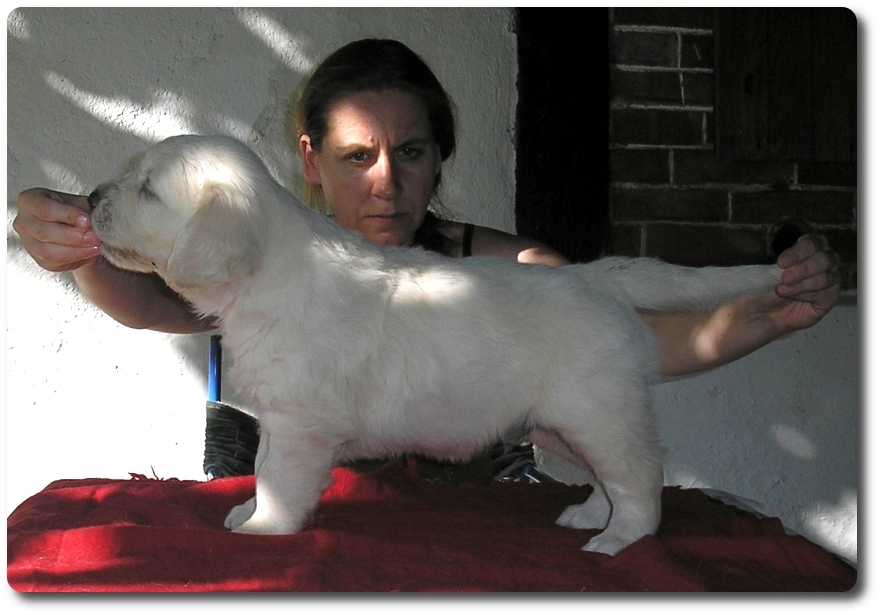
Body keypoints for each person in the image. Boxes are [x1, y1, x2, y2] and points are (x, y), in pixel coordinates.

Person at [13, 39, 841, 480]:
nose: (386, 182)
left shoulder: (503, 265)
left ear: (440, 158)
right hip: (279, 551)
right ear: (310, 160)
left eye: (410, 152)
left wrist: (770, 315)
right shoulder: (243, 254)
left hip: (468, 549)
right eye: (357, 156)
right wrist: (72, 245)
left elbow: (633, 343)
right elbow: (138, 300)